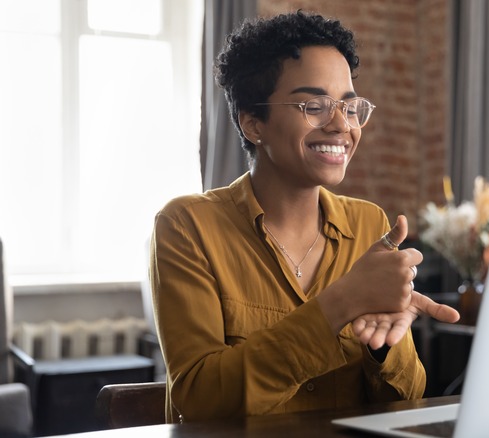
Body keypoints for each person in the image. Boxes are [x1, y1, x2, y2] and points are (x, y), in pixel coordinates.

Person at [150, 10, 460, 423]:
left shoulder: (370, 226)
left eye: (350, 109)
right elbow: (200, 400)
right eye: (314, 105)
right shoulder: (187, 227)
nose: (340, 126)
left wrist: (385, 346)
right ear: (253, 122)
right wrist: (339, 304)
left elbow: (408, 397)